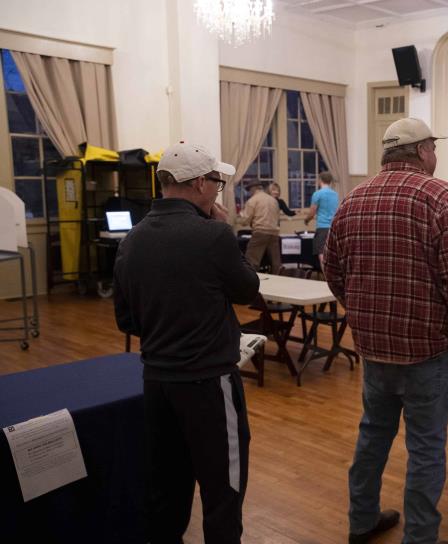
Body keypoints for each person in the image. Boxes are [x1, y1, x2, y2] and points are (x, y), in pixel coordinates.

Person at [323, 117, 448, 544]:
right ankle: (420, 537)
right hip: (428, 351)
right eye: (433, 146)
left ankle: (361, 521)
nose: (436, 154)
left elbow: (334, 270)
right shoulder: (441, 199)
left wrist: (362, 315)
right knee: (426, 449)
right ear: (421, 151)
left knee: (372, 436)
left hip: (375, 348)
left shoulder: (354, 198)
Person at [113, 143, 259, 544]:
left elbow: (126, 320)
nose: (218, 190)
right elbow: (248, 289)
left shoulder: (131, 241)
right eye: (217, 181)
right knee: (222, 494)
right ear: (199, 183)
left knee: (167, 490)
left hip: (157, 383)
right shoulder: (213, 236)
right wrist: (227, 230)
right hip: (209, 383)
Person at [238, 178, 281, 273]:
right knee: (275, 262)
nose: (249, 193)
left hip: (260, 232)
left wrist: (240, 216)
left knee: (251, 260)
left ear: (253, 189)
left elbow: (245, 221)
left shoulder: (252, 200)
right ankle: (279, 282)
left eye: (249, 190)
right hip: (274, 233)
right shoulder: (273, 200)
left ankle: (251, 283)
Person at [305, 171, 339, 260]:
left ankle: (325, 273)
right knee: (332, 253)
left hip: (322, 227)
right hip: (333, 227)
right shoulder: (335, 194)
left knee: (321, 252)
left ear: (320, 180)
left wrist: (306, 220)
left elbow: (312, 213)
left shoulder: (317, 194)